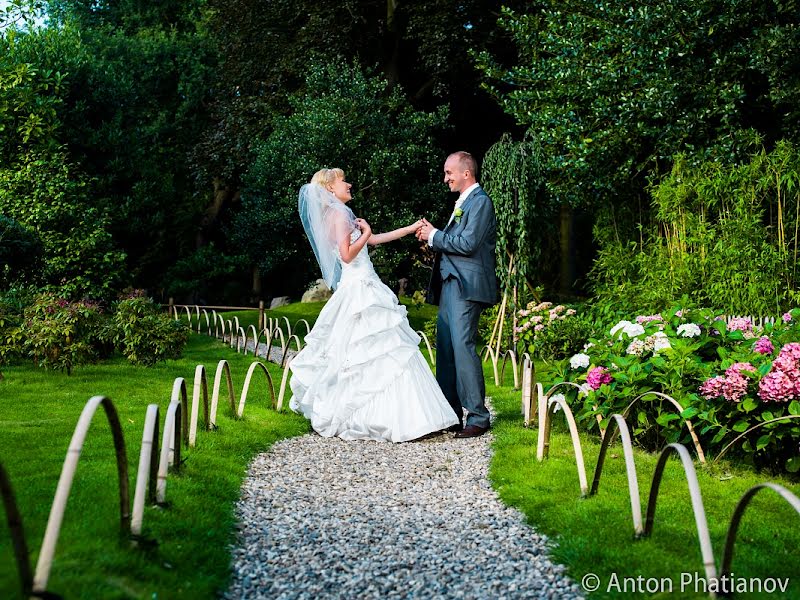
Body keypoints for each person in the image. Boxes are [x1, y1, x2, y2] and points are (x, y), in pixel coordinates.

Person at [289, 168, 459, 442]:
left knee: (375, 351)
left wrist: (408, 228)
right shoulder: (339, 214)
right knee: (377, 350)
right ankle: (388, 418)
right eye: (344, 181)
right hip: (360, 287)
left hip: (362, 283)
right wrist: (366, 232)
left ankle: (398, 416)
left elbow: (372, 240)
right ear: (330, 189)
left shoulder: (336, 214)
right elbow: (346, 255)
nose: (349, 183)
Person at [416, 151, 498, 438]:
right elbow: (452, 243)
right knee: (447, 351)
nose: (446, 178)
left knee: (463, 348)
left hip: (466, 286)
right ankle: (450, 414)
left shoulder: (480, 202)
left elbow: (468, 243)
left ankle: (478, 417)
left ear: (466, 173)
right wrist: (432, 239)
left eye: (449, 172)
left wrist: (435, 236)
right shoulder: (463, 203)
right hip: (451, 284)